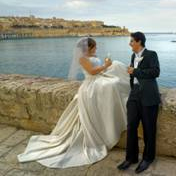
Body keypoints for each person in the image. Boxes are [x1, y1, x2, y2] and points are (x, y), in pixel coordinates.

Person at [17, 37, 130, 168]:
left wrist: (106, 65)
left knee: (116, 72)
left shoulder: (93, 56)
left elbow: (99, 70)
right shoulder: (82, 58)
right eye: (95, 46)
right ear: (89, 47)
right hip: (91, 85)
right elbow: (92, 71)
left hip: (98, 81)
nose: (97, 48)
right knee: (112, 84)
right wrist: (105, 65)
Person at [117, 31, 161, 174]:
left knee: (149, 129)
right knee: (131, 126)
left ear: (139, 42)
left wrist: (135, 71)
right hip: (134, 94)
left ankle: (148, 158)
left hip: (149, 95)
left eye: (131, 41)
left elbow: (155, 72)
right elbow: (132, 73)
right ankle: (131, 158)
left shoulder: (151, 54)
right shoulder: (132, 56)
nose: (130, 44)